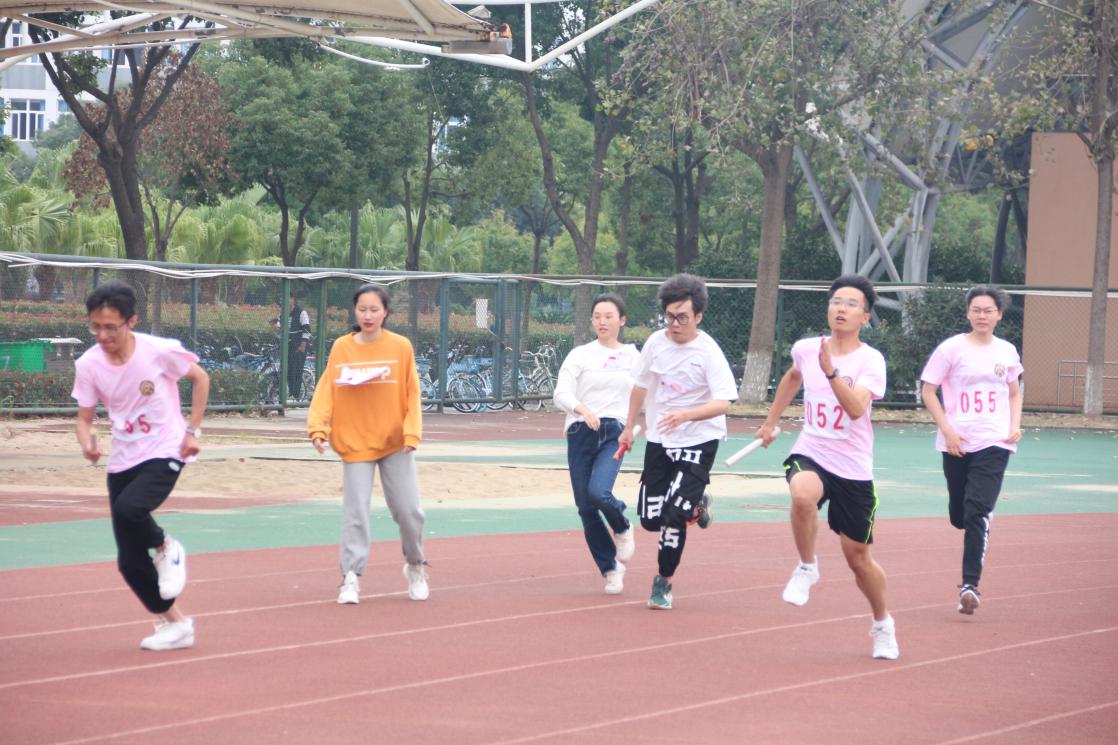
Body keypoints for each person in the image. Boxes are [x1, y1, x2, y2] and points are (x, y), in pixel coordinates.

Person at [756, 274, 899, 660]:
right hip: (812, 451)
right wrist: (770, 422)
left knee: (859, 560)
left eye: (852, 304)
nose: (841, 308)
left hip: (853, 468)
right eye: (836, 301)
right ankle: (807, 566)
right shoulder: (807, 349)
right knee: (802, 494)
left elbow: (855, 409)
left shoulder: (870, 360)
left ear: (865, 317)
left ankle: (882, 623)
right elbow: (793, 377)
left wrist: (832, 373)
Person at [71, 280, 210, 651]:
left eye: (110, 327)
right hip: (123, 459)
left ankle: (166, 545)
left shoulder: (157, 351)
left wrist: (193, 430)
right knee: (130, 563)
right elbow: (84, 419)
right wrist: (88, 443)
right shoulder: (89, 364)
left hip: (166, 449)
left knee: (130, 509)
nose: (102, 335)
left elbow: (200, 378)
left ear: (131, 321)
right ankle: (177, 625)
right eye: (95, 327)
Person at [618, 273, 738, 610]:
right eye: (669, 317)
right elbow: (640, 386)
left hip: (700, 439)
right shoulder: (656, 343)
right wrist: (629, 426)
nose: (674, 324)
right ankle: (696, 505)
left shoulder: (708, 352)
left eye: (682, 317)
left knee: (674, 515)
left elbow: (723, 403)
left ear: (698, 316)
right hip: (660, 439)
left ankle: (663, 582)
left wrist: (686, 415)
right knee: (650, 519)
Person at [307, 284, 429, 605]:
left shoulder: (400, 347)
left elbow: (412, 392)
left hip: (395, 443)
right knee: (356, 512)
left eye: (375, 309)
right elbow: (327, 389)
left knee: (409, 511)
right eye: (362, 309)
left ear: (386, 312)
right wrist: (318, 428)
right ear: (355, 311)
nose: (368, 315)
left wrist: (412, 433)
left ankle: (416, 565)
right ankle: (350, 576)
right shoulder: (341, 348)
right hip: (355, 443)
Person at [920, 285, 1023, 615]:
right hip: (957, 441)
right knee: (960, 515)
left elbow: (1014, 392)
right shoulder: (951, 349)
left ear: (999, 315)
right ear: (968, 313)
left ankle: (970, 586)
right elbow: (928, 391)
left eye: (988, 310)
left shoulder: (1006, 351)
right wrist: (947, 430)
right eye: (976, 310)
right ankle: (976, 515)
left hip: (995, 440)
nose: (982, 315)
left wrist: (1014, 425)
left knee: (976, 510)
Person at [553, 293, 641, 594]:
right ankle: (611, 568)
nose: (602, 321)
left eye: (609, 316)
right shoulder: (580, 355)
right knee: (585, 508)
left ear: (622, 320)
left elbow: (646, 392)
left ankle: (622, 525)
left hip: (614, 432)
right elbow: (561, 393)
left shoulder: (633, 357)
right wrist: (581, 409)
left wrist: (633, 426)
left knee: (599, 492)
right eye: (597, 317)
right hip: (581, 431)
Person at [287, 292, 312, 399]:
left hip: (298, 346)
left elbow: (307, 329)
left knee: (296, 370)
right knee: (289, 370)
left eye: (287, 298)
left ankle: (296, 395)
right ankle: (291, 393)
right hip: (288, 346)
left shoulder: (301, 312)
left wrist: (303, 345)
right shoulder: (284, 312)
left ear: (292, 299)